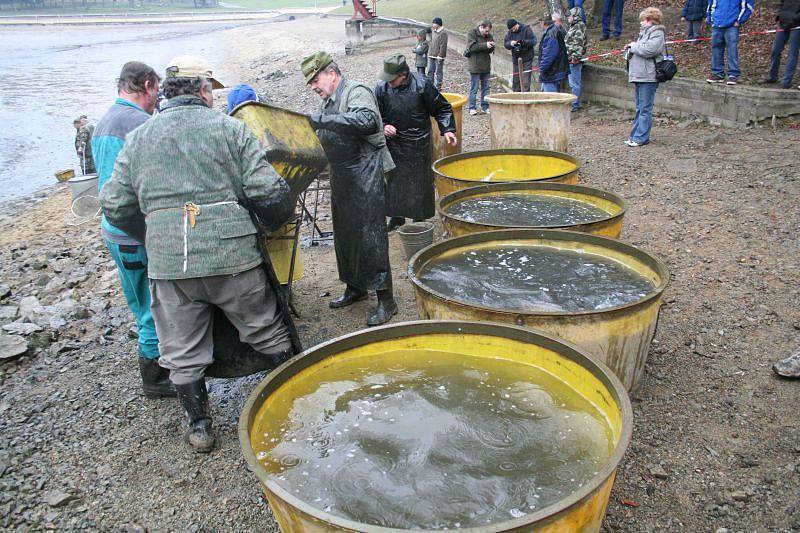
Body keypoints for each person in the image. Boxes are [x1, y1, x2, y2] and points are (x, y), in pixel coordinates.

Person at [100, 55, 296, 453]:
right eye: (212, 89)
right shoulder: (230, 129)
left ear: (167, 92)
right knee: (266, 328)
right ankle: (296, 400)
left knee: (182, 348)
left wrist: (158, 233)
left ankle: (200, 425)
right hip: (233, 258)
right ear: (204, 90)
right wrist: (272, 222)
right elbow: (270, 193)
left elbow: (115, 205)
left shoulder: (139, 138)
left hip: (170, 264)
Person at [92, 61, 173, 400]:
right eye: (156, 90)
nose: (157, 99)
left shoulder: (104, 121)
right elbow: (137, 191)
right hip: (132, 233)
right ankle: (156, 380)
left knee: (140, 303)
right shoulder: (138, 123)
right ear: (147, 84)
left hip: (112, 231)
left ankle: (155, 373)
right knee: (154, 307)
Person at [302, 51, 399, 327]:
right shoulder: (325, 104)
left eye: (315, 79)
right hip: (343, 174)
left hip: (367, 171)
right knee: (345, 235)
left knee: (371, 235)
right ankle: (355, 288)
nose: (313, 86)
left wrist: (322, 122)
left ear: (332, 74)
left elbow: (367, 120)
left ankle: (386, 300)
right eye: (310, 82)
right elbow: (321, 138)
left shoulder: (356, 91)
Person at [374, 53, 457, 232]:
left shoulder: (422, 85)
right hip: (394, 142)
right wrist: (384, 125)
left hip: (418, 143)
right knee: (394, 181)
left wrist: (448, 129)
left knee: (419, 182)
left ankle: (418, 218)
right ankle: (397, 217)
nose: (389, 83)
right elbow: (373, 113)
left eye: (392, 79)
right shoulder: (381, 88)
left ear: (402, 75)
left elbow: (442, 108)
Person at [623, 7, 667, 147]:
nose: (641, 23)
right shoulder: (644, 34)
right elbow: (640, 49)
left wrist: (634, 46)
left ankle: (641, 137)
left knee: (645, 108)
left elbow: (650, 50)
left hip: (648, 76)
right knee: (639, 108)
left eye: (643, 20)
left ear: (650, 20)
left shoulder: (657, 34)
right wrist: (630, 49)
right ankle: (635, 135)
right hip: (639, 75)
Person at [706, 0, 754, 85]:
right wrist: (710, 18)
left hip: (732, 25)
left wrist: (739, 21)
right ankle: (717, 73)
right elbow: (710, 5)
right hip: (717, 24)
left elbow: (748, 6)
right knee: (716, 49)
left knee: (732, 50)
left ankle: (733, 75)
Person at [760, 0, 800, 89]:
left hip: (797, 26)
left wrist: (794, 20)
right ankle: (772, 77)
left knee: (792, 53)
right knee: (775, 50)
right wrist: (779, 16)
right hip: (783, 24)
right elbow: (782, 4)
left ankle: (786, 81)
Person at [466, 20, 495, 115]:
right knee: (474, 88)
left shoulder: (489, 36)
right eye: (486, 31)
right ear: (481, 27)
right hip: (475, 66)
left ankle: (485, 106)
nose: (487, 33)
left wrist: (491, 47)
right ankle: (472, 107)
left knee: (486, 87)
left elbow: (490, 50)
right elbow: (472, 47)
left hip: (486, 66)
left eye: (488, 31)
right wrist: (485, 45)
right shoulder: (472, 33)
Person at [504, 18, 537, 92]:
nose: (512, 30)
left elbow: (533, 41)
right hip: (516, 59)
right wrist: (510, 43)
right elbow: (506, 44)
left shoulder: (526, 29)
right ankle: (516, 97)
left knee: (526, 81)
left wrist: (523, 42)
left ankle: (525, 97)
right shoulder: (510, 33)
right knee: (516, 81)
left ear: (516, 25)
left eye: (513, 28)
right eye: (511, 29)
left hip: (527, 59)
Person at [538, 13, 569, 92]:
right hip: (555, 70)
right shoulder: (554, 30)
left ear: (543, 22)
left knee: (550, 98)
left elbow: (549, 55)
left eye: (540, 22)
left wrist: (542, 69)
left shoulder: (551, 33)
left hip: (551, 72)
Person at [565, 7, 588, 111]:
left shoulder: (578, 26)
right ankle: (574, 103)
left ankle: (574, 105)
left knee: (575, 84)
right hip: (570, 59)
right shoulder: (574, 26)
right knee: (572, 83)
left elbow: (578, 44)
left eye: (569, 16)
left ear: (575, 16)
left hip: (574, 61)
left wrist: (575, 58)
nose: (567, 18)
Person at [428, 17, 449, 90]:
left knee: (438, 72)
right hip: (432, 55)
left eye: (434, 23)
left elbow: (443, 45)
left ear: (438, 24)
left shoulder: (443, 33)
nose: (433, 24)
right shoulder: (434, 31)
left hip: (438, 57)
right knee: (430, 71)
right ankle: (430, 85)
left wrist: (441, 55)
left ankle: (438, 86)